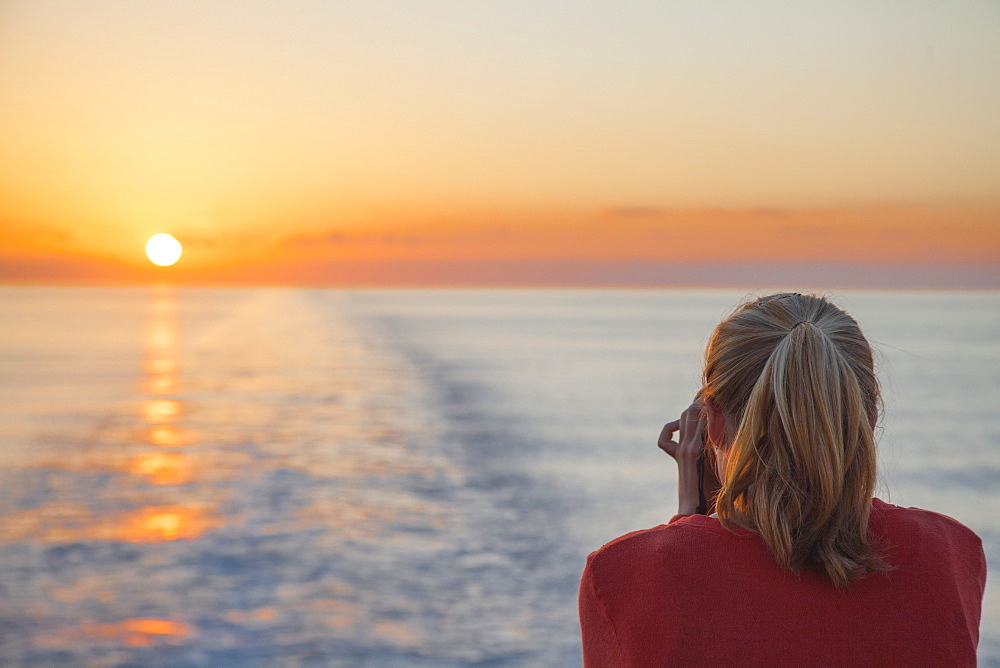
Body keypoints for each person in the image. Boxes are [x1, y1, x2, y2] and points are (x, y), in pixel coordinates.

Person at [579, 293, 986, 666]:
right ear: (870, 419)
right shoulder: (951, 554)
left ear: (711, 424)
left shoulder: (625, 572)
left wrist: (690, 518)